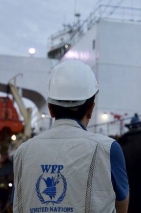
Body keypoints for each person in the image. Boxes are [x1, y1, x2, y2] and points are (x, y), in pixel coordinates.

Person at [13, 60, 129, 213]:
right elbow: (122, 205)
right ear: (90, 109)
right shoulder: (108, 149)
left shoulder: (22, 152)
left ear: (50, 109)